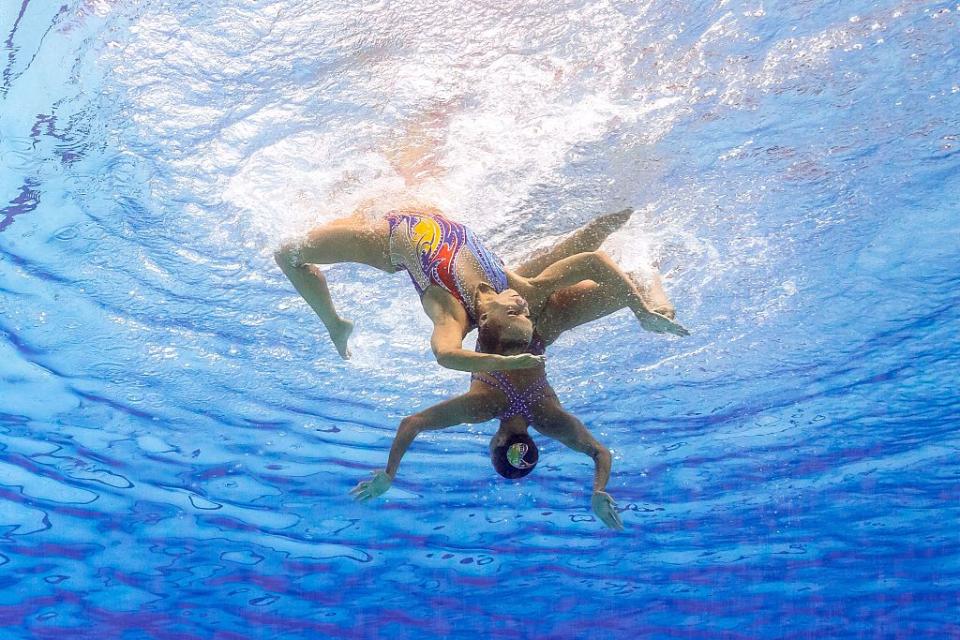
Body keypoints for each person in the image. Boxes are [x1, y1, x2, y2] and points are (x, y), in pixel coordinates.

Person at [348, 216, 686, 530]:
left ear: (531, 443)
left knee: (624, 286)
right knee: (577, 250)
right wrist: (389, 475)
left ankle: (652, 287)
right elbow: (413, 423)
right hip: (515, 314)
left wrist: (598, 491)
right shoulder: (484, 406)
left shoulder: (548, 418)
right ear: (495, 443)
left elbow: (600, 453)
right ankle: (627, 221)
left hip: (546, 327)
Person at [274, 205, 686, 374]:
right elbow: (594, 262)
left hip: (386, 241)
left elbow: (445, 353)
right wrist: (638, 309)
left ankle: (334, 323)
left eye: (517, 314)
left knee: (286, 252)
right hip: (428, 213)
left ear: (485, 320)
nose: (524, 306)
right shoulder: (517, 288)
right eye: (526, 313)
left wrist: (503, 366)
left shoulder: (451, 310)